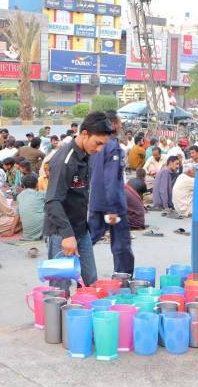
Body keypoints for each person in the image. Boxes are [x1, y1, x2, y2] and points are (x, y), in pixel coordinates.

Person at [44, 112, 113, 293]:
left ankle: (88, 317)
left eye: (102, 146)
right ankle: (58, 319)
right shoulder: (64, 161)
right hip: (62, 232)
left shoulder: (86, 154)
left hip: (81, 230)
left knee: (91, 281)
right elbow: (52, 201)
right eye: (97, 143)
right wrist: (67, 235)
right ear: (84, 134)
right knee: (61, 288)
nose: (99, 149)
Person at [88, 111, 134, 275]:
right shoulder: (112, 146)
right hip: (112, 203)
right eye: (119, 123)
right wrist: (113, 208)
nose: (121, 125)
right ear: (113, 124)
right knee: (121, 244)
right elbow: (111, 179)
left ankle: (67, 269)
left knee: (89, 239)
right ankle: (124, 278)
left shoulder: (94, 145)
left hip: (96, 200)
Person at [17, 174, 45, 241]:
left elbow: (17, 214)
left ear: (23, 186)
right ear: (37, 184)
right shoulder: (41, 194)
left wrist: (11, 231)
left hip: (27, 234)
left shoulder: (19, 196)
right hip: (41, 231)